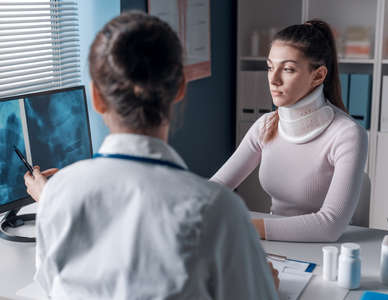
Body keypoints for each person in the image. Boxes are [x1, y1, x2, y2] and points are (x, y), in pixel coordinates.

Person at [24, 11, 279, 299]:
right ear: (181, 88)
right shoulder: (218, 210)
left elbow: (51, 287)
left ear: (96, 97)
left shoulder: (57, 196)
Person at [211, 19, 368, 243]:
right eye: (270, 67)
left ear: (318, 75)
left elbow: (330, 225)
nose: (273, 80)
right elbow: (216, 187)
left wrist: (243, 226)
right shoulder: (266, 125)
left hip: (323, 252)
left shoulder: (348, 135)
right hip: (275, 245)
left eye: (288, 69)